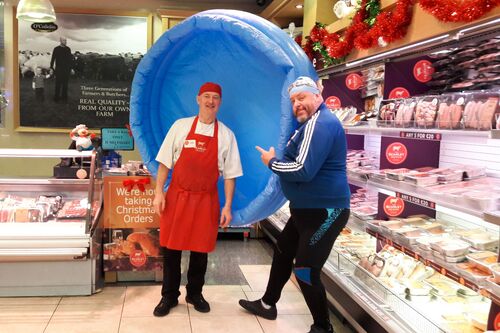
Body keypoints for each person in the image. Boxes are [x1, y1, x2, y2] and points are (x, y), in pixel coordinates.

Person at [239, 76, 351, 333]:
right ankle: (268, 304)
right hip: (305, 211)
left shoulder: (320, 124)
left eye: (302, 98)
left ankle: (322, 327)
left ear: (317, 96)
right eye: (293, 100)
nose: (297, 104)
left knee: (305, 270)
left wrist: (271, 162)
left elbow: (303, 169)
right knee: (282, 252)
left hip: (325, 213)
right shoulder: (310, 123)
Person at [153, 82, 243, 317]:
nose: (210, 101)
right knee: (171, 249)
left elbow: (231, 175)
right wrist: (158, 193)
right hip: (177, 196)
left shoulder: (225, 134)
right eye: (206, 96)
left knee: (200, 250)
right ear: (198, 99)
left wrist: (228, 206)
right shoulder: (180, 127)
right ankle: (169, 296)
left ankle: (195, 293)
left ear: (219, 102)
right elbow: (164, 162)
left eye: (215, 97)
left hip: (206, 199)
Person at [50, 37, 73, 102]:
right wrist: (51, 68)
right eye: (64, 40)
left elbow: (70, 59)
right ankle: (56, 98)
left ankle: (64, 98)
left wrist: (71, 68)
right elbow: (53, 59)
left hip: (66, 69)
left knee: (65, 84)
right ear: (60, 41)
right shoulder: (56, 49)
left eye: (66, 40)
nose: (65, 41)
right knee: (58, 84)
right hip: (59, 69)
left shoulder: (68, 49)